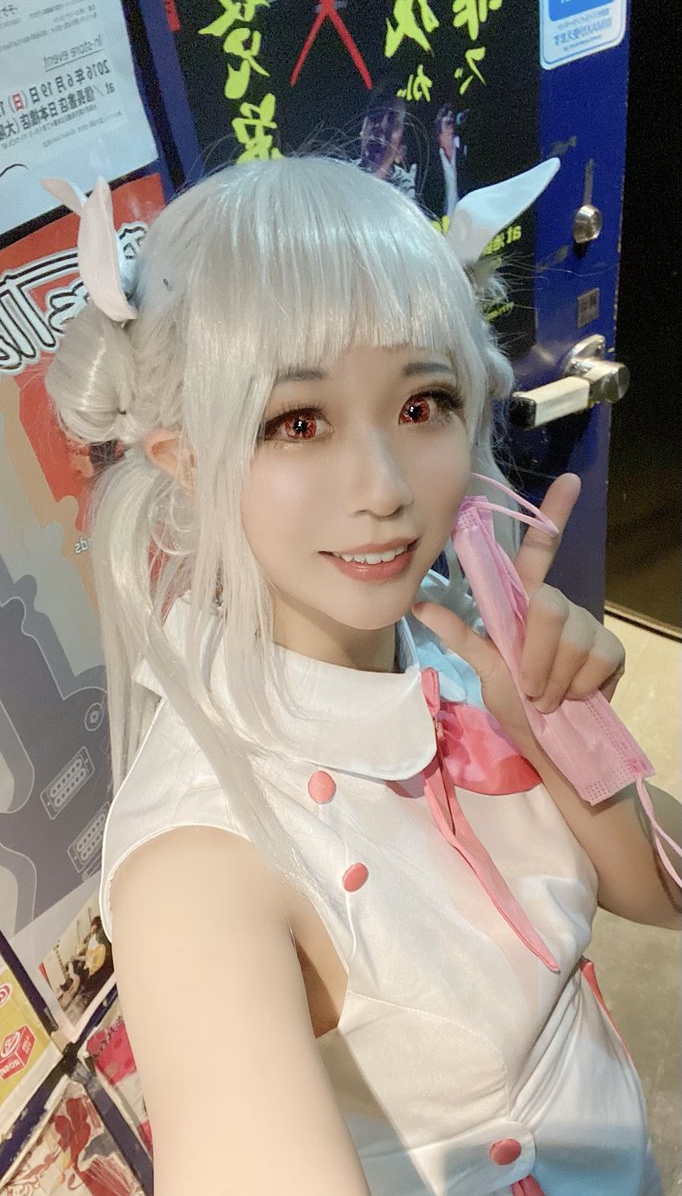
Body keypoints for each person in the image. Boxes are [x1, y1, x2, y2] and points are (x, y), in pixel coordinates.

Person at [43, 156, 680, 1196]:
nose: (383, 488)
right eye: (297, 423)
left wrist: (558, 725)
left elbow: (662, 896)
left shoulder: (455, 645)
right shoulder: (198, 863)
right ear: (184, 459)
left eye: (423, 404)